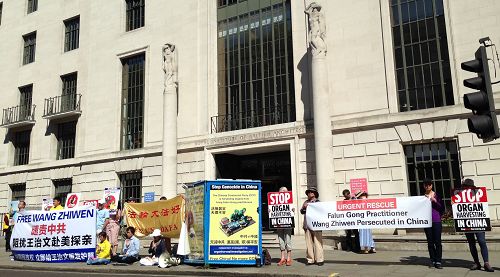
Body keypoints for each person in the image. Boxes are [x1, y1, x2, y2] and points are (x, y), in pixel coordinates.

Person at [460, 179, 494, 272]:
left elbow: (483, 209)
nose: (467, 188)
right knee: (471, 243)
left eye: (468, 186)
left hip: (478, 222)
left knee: (482, 241)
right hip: (466, 223)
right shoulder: (459, 196)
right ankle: (476, 263)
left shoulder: (479, 194)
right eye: (465, 186)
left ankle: (486, 263)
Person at [423, 179, 444, 269]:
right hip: (427, 222)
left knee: (437, 242)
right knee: (430, 242)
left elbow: (442, 207)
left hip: (436, 221)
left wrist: (435, 200)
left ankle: (438, 260)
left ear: (431, 185)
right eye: (426, 185)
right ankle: (432, 260)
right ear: (424, 186)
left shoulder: (437, 195)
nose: (427, 186)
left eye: (429, 184)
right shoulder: (422, 197)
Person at [300, 187, 324, 266]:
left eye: (311, 192)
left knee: (318, 242)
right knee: (309, 243)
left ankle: (319, 259)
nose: (309, 193)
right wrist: (304, 207)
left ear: (314, 194)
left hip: (316, 225)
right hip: (307, 225)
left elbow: (321, 212)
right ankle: (310, 259)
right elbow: (302, 211)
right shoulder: (306, 202)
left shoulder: (318, 202)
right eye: (308, 192)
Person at [275, 187, 294, 266]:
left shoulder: (290, 200)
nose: (284, 192)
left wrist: (293, 210)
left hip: (287, 223)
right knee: (281, 240)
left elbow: (292, 210)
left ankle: (289, 258)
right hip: (279, 224)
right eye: (282, 191)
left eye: (285, 191)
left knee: (288, 240)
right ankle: (282, 258)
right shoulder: (275, 201)